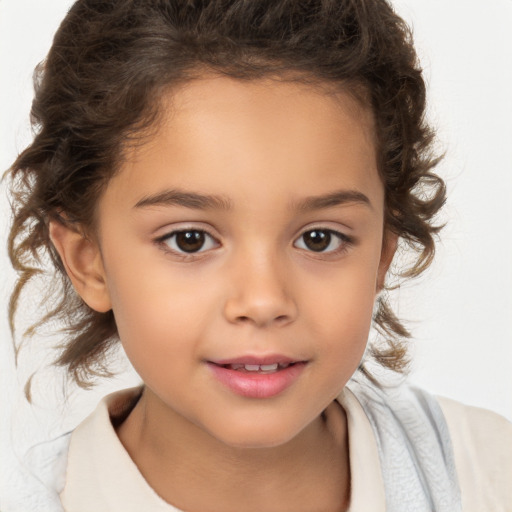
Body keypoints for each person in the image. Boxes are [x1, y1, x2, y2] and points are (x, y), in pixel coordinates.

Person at [3, 0, 511, 511]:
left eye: (319, 238)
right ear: (87, 259)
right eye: (190, 240)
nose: (264, 301)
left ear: (382, 252)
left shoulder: (487, 477)